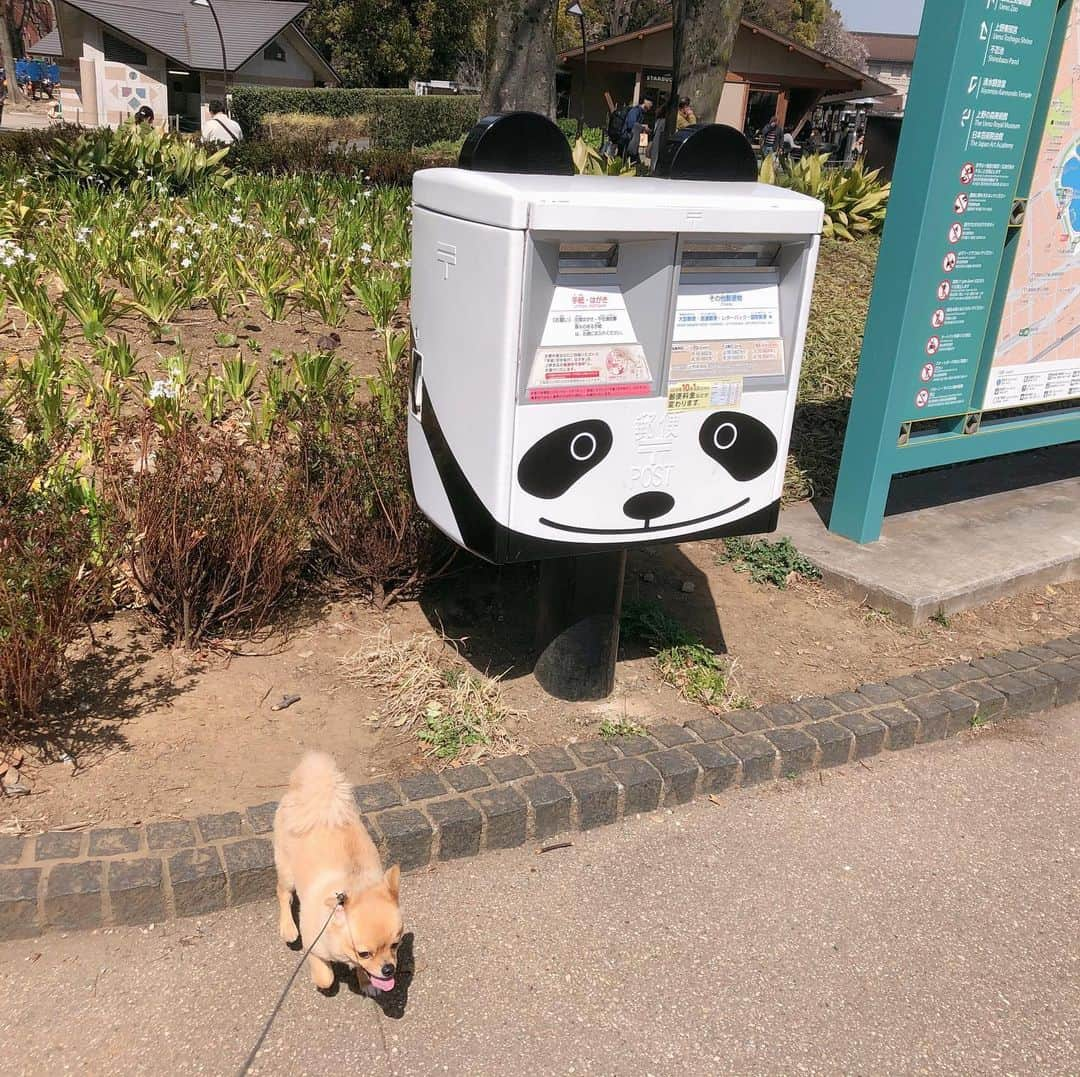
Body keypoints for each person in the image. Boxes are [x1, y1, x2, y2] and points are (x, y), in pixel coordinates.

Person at [621, 97, 653, 163]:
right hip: (628, 141)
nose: (651, 105)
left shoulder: (641, 112)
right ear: (645, 101)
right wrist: (643, 127)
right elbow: (631, 124)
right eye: (650, 102)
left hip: (633, 142)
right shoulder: (635, 111)